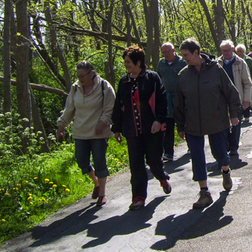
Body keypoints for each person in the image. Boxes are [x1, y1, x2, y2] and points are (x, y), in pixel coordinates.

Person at [175, 38, 241, 209]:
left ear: (196, 53)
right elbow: (179, 104)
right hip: (193, 124)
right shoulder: (183, 76)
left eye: (186, 55)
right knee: (197, 156)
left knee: (220, 153)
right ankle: (204, 192)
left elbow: (231, 93)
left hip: (216, 120)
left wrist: (234, 115)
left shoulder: (216, 70)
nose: (184, 58)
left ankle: (225, 170)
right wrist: (180, 126)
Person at [112, 46, 171, 210]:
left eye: (128, 62)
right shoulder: (124, 82)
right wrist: (116, 128)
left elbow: (162, 100)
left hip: (152, 129)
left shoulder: (152, 78)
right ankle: (138, 197)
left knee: (153, 161)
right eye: (125, 62)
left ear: (138, 62)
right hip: (132, 131)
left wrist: (159, 120)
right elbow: (118, 105)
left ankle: (161, 177)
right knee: (136, 164)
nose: (126, 65)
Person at [57, 61, 115, 207]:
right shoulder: (75, 88)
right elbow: (69, 108)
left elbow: (110, 108)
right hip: (80, 132)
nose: (80, 79)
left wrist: (103, 122)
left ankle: (102, 193)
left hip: (99, 132)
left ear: (91, 73)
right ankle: (96, 183)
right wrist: (61, 124)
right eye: (78, 76)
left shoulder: (104, 86)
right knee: (81, 160)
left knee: (99, 161)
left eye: (83, 75)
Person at [218, 40, 252, 157]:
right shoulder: (217, 64)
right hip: (221, 99)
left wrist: (247, 99)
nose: (225, 53)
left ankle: (234, 147)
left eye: (227, 50)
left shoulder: (240, 63)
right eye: (223, 51)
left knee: (236, 123)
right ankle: (227, 144)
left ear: (232, 49)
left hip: (237, 99)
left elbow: (247, 83)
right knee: (223, 124)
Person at [156, 42, 187, 161]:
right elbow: (159, 78)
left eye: (168, 51)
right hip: (166, 98)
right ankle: (168, 152)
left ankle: (190, 145)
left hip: (180, 97)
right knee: (168, 125)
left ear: (174, 50)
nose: (166, 54)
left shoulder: (182, 62)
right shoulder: (161, 63)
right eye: (163, 52)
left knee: (184, 121)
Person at [236, 43, 252, 121]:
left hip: (247, 82)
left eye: (241, 51)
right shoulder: (235, 60)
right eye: (238, 51)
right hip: (238, 82)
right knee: (239, 99)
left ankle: (247, 116)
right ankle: (240, 114)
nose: (239, 53)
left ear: (244, 51)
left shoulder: (248, 60)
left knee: (246, 98)